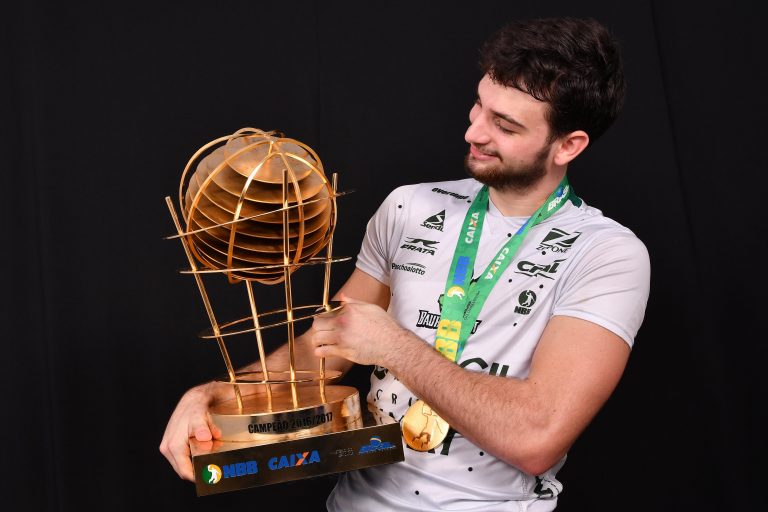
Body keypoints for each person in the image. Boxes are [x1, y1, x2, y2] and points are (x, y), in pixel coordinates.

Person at [160, 16, 650, 511]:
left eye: (504, 125)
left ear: (568, 145)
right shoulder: (409, 207)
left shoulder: (607, 254)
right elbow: (324, 349)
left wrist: (393, 346)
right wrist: (216, 394)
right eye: (479, 105)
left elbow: (536, 438)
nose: (473, 131)